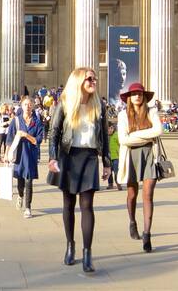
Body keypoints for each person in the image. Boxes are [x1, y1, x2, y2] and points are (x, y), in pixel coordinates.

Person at [47, 67, 111, 273]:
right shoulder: (65, 103)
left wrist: (107, 163)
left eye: (94, 78)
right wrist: (52, 157)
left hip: (90, 157)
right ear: (78, 82)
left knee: (87, 205)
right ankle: (69, 246)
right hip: (68, 156)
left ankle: (87, 253)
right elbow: (54, 131)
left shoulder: (99, 105)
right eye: (89, 79)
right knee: (68, 204)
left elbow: (104, 137)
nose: (94, 81)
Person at [116, 82, 161, 252]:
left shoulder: (151, 112)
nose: (137, 96)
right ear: (128, 97)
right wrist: (146, 136)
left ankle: (147, 234)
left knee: (148, 195)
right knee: (132, 194)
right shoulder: (122, 115)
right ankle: (132, 222)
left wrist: (134, 135)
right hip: (131, 157)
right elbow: (123, 140)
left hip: (150, 155)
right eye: (134, 93)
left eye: (140, 94)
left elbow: (158, 131)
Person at [8, 96, 44, 219]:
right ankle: (20, 195)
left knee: (29, 181)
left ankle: (28, 207)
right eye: (25, 105)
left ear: (33, 106)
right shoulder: (16, 121)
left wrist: (26, 135)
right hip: (19, 154)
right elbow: (9, 139)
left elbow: (38, 140)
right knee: (20, 181)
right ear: (21, 106)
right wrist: (6, 155)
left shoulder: (37, 122)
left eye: (30, 105)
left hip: (31, 155)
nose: (28, 107)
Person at [106, 121, 121, 191]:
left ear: (112, 128)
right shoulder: (106, 137)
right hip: (108, 157)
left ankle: (118, 183)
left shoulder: (117, 135)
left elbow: (120, 144)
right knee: (109, 171)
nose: (108, 131)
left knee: (116, 171)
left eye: (108, 129)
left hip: (116, 157)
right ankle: (110, 184)